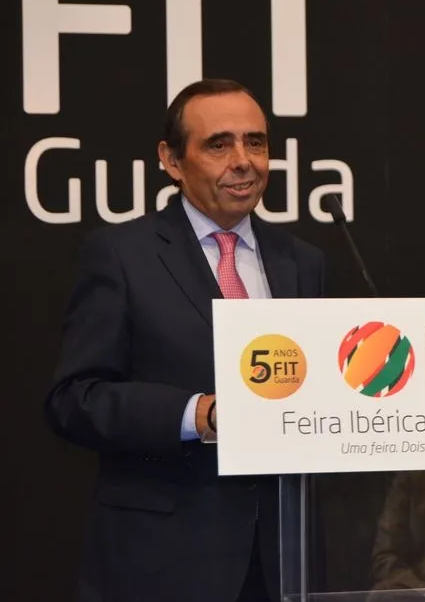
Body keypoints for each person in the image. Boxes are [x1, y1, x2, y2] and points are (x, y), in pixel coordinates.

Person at [45, 79, 326, 602]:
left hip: (281, 562)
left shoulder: (302, 262)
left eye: (256, 142)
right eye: (219, 144)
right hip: (163, 562)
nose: (243, 161)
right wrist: (197, 415)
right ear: (171, 161)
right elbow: (74, 398)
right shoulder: (120, 255)